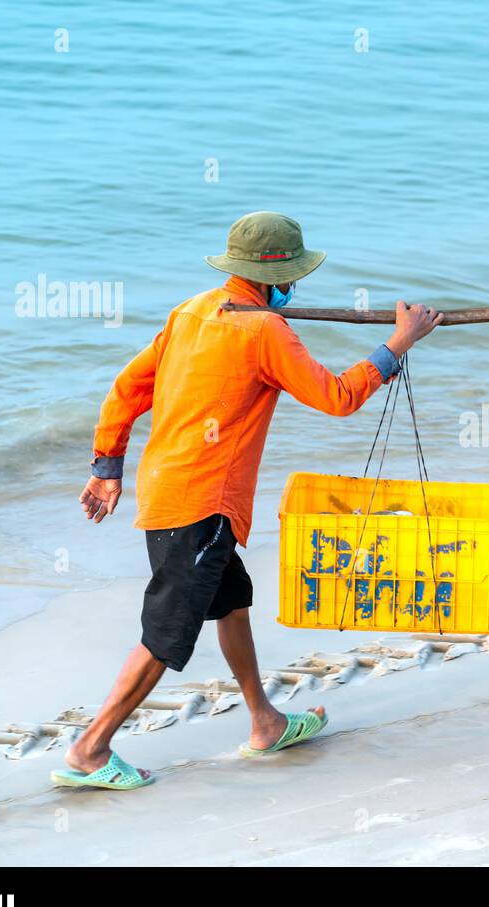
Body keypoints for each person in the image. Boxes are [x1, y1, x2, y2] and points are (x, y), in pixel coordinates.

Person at [53, 211, 443, 789]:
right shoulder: (264, 329)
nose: (295, 289)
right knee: (167, 633)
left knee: (231, 600)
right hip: (200, 503)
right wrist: (397, 345)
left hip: (166, 485)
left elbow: (128, 387)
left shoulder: (192, 310)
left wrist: (109, 467)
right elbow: (335, 397)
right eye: (293, 277)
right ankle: (90, 747)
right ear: (276, 277)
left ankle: (264, 721)